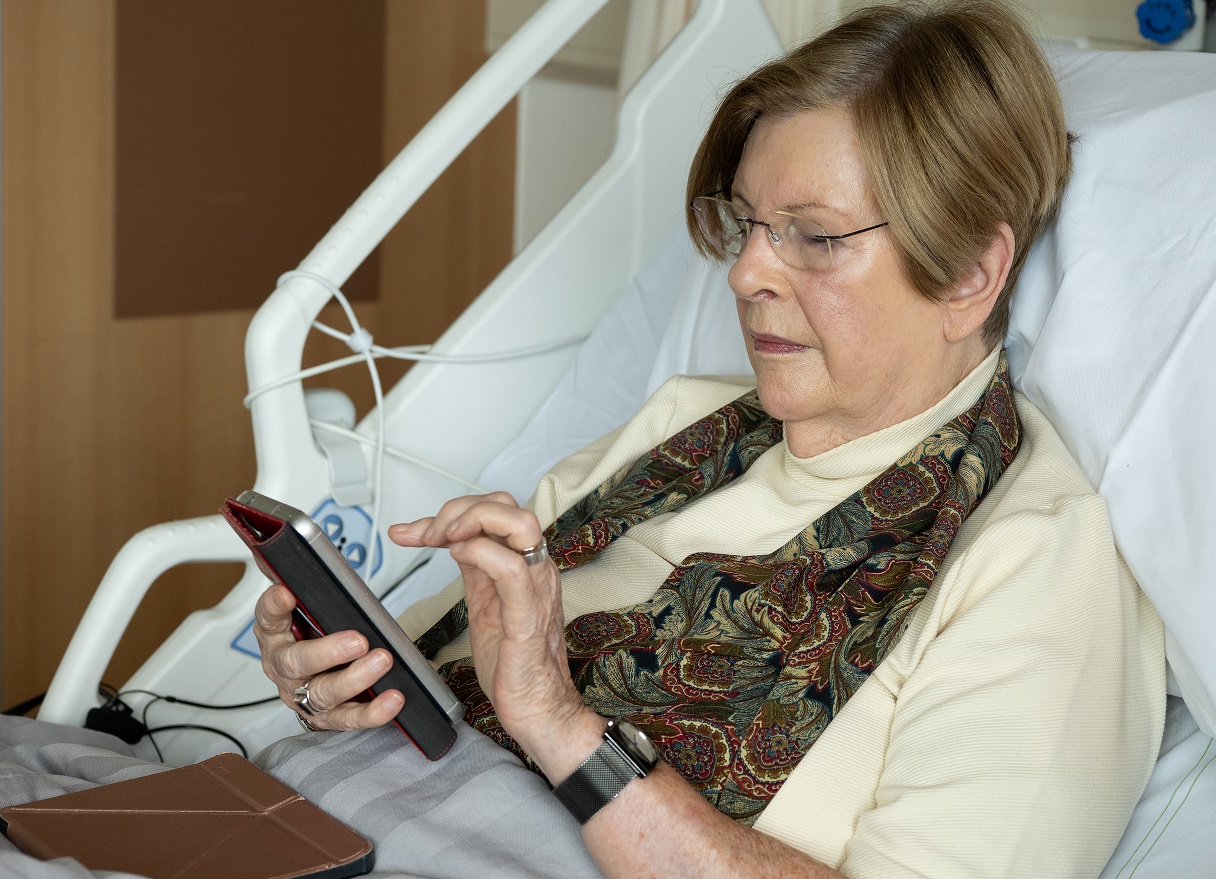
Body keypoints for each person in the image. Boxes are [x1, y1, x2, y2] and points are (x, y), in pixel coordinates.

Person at [254, 2, 1165, 875]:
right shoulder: (681, 426)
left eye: (814, 237)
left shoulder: (1032, 563)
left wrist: (566, 730)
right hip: (315, 817)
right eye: (748, 224)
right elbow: (425, 684)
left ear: (970, 273)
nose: (743, 271)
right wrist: (327, 676)